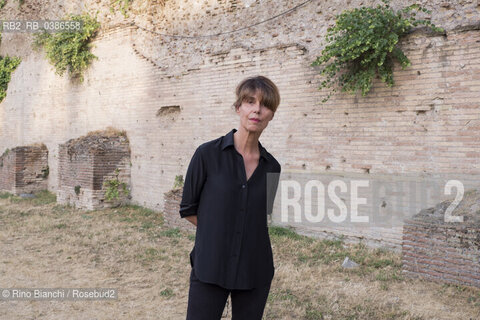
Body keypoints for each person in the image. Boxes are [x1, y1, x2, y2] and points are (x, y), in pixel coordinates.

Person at [179, 75, 282, 320]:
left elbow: (259, 217)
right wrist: (219, 234)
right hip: (210, 265)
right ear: (239, 108)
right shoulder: (207, 154)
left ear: (272, 115)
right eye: (250, 101)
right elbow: (188, 208)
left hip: (255, 269)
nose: (257, 109)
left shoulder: (272, 168)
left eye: (265, 104)